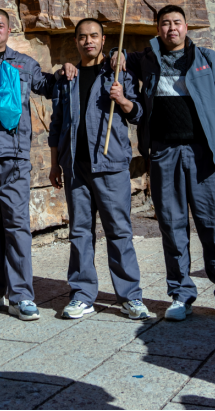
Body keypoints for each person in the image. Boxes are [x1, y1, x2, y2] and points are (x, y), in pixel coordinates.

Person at [112, 5, 215, 322]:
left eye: (177, 22)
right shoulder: (146, 59)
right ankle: (180, 295)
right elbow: (115, 54)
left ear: (186, 27)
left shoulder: (207, 58)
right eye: (165, 23)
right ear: (157, 28)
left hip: (206, 153)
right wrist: (115, 53)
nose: (171, 28)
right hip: (164, 153)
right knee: (172, 226)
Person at [0, 8, 75, 322]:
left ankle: (21, 296)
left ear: (9, 31)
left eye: (1, 25)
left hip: (14, 160)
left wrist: (64, 71)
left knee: (17, 228)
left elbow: (49, 86)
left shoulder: (23, 64)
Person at [49, 18, 150, 321]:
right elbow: (57, 124)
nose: (88, 41)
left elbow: (138, 113)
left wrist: (123, 100)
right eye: (82, 37)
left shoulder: (118, 72)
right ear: (76, 41)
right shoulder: (68, 77)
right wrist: (55, 163)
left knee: (119, 231)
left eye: (94, 36)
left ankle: (130, 297)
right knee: (80, 232)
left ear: (103, 40)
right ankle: (82, 295)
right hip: (75, 167)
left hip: (110, 165)